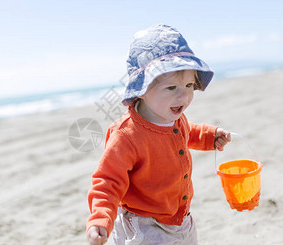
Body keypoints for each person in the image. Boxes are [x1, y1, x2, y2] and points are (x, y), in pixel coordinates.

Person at [86, 24, 231, 245]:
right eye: (171, 88)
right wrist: (100, 218)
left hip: (179, 216)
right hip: (143, 224)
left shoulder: (172, 117)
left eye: (189, 85)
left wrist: (210, 136)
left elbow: (187, 132)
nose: (184, 96)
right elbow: (107, 180)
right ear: (141, 89)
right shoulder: (127, 134)